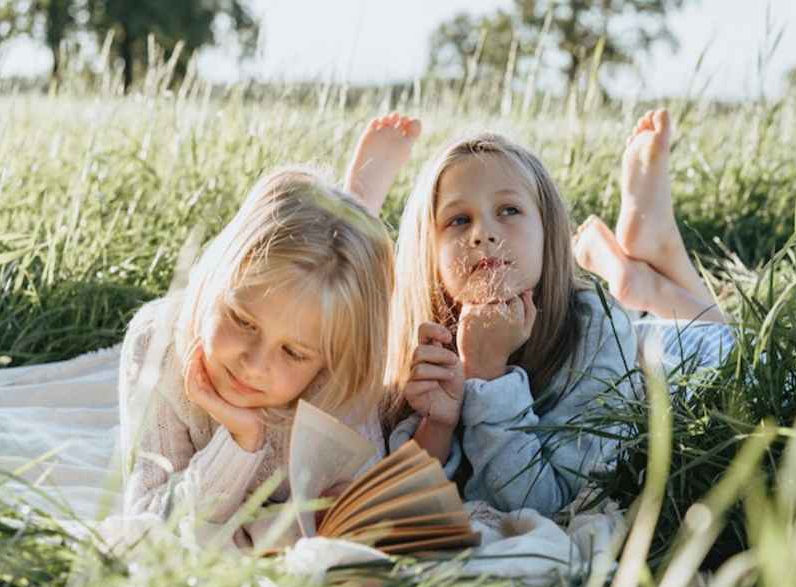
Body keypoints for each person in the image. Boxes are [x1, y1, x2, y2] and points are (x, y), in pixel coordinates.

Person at [385, 109, 734, 515]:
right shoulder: (423, 342)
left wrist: (488, 378)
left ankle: (652, 267)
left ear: (549, 232)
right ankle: (646, 274)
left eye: (509, 210)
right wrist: (437, 426)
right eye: (459, 220)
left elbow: (548, 504)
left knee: (726, 342)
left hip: (681, 369)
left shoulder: (594, 326)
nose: (483, 233)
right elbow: (405, 505)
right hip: (643, 341)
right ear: (429, 253)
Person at [121, 113, 421, 537]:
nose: (255, 365)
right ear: (214, 283)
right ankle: (352, 208)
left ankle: (356, 208)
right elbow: (148, 518)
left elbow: (359, 506)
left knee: (347, 293)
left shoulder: (341, 374)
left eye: (293, 352)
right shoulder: (158, 344)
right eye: (242, 321)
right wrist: (241, 441)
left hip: (336, 322)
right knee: (315, 285)